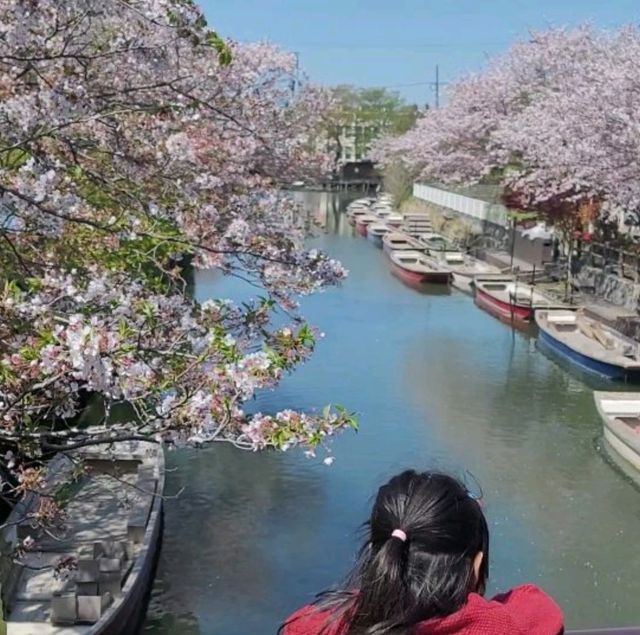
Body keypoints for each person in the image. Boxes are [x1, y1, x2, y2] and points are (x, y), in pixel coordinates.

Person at [281, 470, 563, 635]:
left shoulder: (314, 625)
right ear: (476, 566)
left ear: (378, 553)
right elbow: (538, 609)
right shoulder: (500, 626)